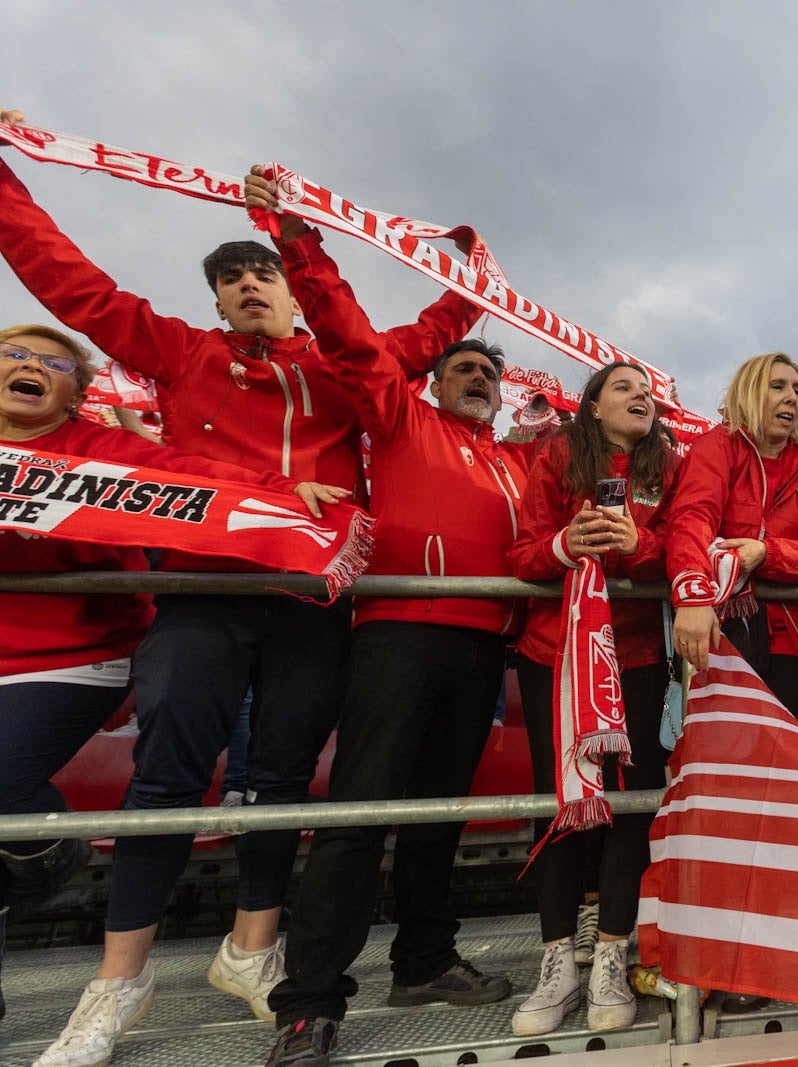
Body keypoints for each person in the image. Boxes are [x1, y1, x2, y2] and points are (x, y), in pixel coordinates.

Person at [0, 111, 485, 1067]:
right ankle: (117, 982)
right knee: (167, 779)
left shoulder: (347, 369)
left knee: (279, 778)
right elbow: (67, 278)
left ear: (288, 289)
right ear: (216, 305)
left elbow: (435, 329)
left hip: (310, 600)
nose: (246, 287)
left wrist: (471, 268)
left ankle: (250, 952)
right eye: (230, 281)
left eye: (259, 273)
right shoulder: (179, 352)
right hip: (202, 593)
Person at [246, 176, 526, 1066]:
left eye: (491, 370)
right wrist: (299, 245)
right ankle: (310, 1002)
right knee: (362, 812)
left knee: (441, 814)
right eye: (464, 368)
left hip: (484, 646)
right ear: (431, 380)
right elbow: (349, 334)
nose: (479, 377)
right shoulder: (399, 416)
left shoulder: (518, 462)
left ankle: (425, 960)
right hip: (399, 634)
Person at [0, 322, 343, 1029]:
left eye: (53, 361)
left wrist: (279, 489)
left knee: (268, 775)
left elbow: (197, 476)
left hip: (71, 654)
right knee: (158, 780)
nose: (30, 365)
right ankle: (97, 961)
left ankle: (50, 844)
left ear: (77, 396)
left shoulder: (103, 451)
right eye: (13, 355)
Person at [506, 362, 678, 1037]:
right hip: (554, 655)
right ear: (593, 404)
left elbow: (683, 552)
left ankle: (611, 952)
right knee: (565, 802)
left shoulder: (670, 463)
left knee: (630, 802)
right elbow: (519, 554)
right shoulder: (553, 456)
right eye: (625, 386)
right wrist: (561, 544)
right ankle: (558, 963)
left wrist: (642, 545)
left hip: (633, 657)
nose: (642, 394)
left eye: (647, 388)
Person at [668, 353, 798, 713]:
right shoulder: (716, 447)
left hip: (791, 634)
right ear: (749, 392)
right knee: (720, 751)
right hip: (719, 626)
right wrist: (691, 597)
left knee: (772, 757)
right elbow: (692, 520)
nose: (793, 397)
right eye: (777, 386)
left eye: (797, 389)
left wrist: (768, 553)